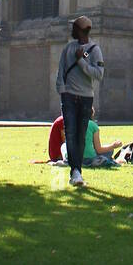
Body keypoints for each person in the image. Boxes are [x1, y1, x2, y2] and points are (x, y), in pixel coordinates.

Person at [55, 15, 104, 187]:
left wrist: (81, 61)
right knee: (70, 133)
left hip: (85, 97)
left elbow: (98, 74)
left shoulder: (94, 50)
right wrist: (62, 91)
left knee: (81, 135)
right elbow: (61, 70)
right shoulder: (68, 48)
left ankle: (77, 171)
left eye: (74, 28)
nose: (72, 31)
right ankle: (75, 171)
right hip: (68, 96)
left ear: (82, 30)